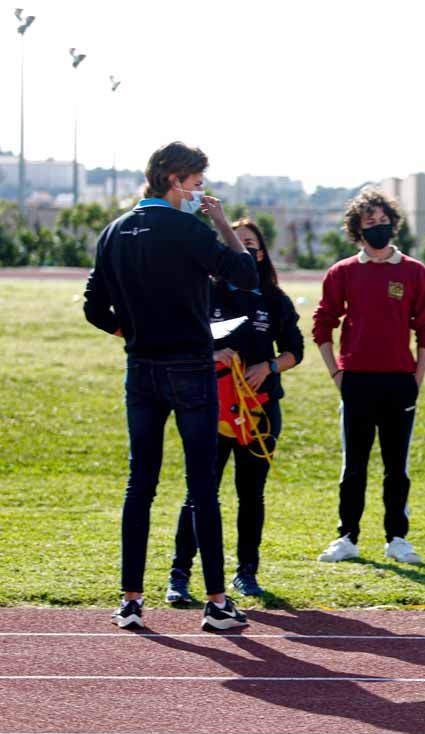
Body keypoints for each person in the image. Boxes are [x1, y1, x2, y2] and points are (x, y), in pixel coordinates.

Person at [82, 141, 257, 630]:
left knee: (141, 484)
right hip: (189, 366)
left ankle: (131, 600)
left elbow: (95, 309)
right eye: (197, 183)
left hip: (141, 367)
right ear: (173, 179)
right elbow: (245, 273)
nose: (200, 193)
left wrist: (134, 333)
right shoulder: (187, 227)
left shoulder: (114, 231)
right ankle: (218, 602)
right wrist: (223, 223)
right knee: (203, 487)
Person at [168, 219, 304, 602]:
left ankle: (247, 573)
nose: (246, 250)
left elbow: (296, 349)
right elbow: (178, 346)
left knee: (251, 494)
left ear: (261, 254)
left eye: (253, 245)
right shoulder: (203, 293)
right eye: (238, 244)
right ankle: (179, 576)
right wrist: (213, 355)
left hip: (259, 411)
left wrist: (271, 366)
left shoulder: (275, 300)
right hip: (210, 410)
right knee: (200, 493)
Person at [313, 190, 425, 564]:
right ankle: (347, 537)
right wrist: (336, 372)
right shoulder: (343, 272)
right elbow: (322, 324)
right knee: (354, 466)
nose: (377, 227)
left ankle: (397, 538)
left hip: (400, 382)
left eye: (382, 220)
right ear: (357, 229)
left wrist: (417, 377)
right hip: (356, 381)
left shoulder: (415, 271)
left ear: (393, 223)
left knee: (396, 468)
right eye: (368, 222)